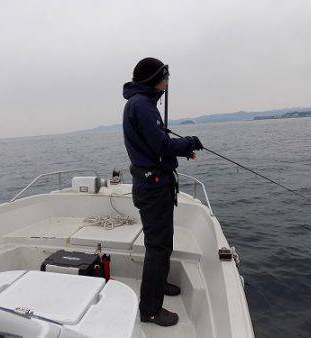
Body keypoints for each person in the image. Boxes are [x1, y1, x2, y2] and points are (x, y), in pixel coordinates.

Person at [122, 57, 203, 326]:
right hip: (154, 188)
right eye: (165, 78)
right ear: (154, 78)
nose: (168, 84)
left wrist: (179, 146)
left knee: (162, 243)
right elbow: (160, 145)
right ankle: (151, 309)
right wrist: (189, 142)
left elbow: (155, 143)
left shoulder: (139, 103)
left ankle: (160, 284)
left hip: (153, 185)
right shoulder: (143, 105)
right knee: (158, 247)